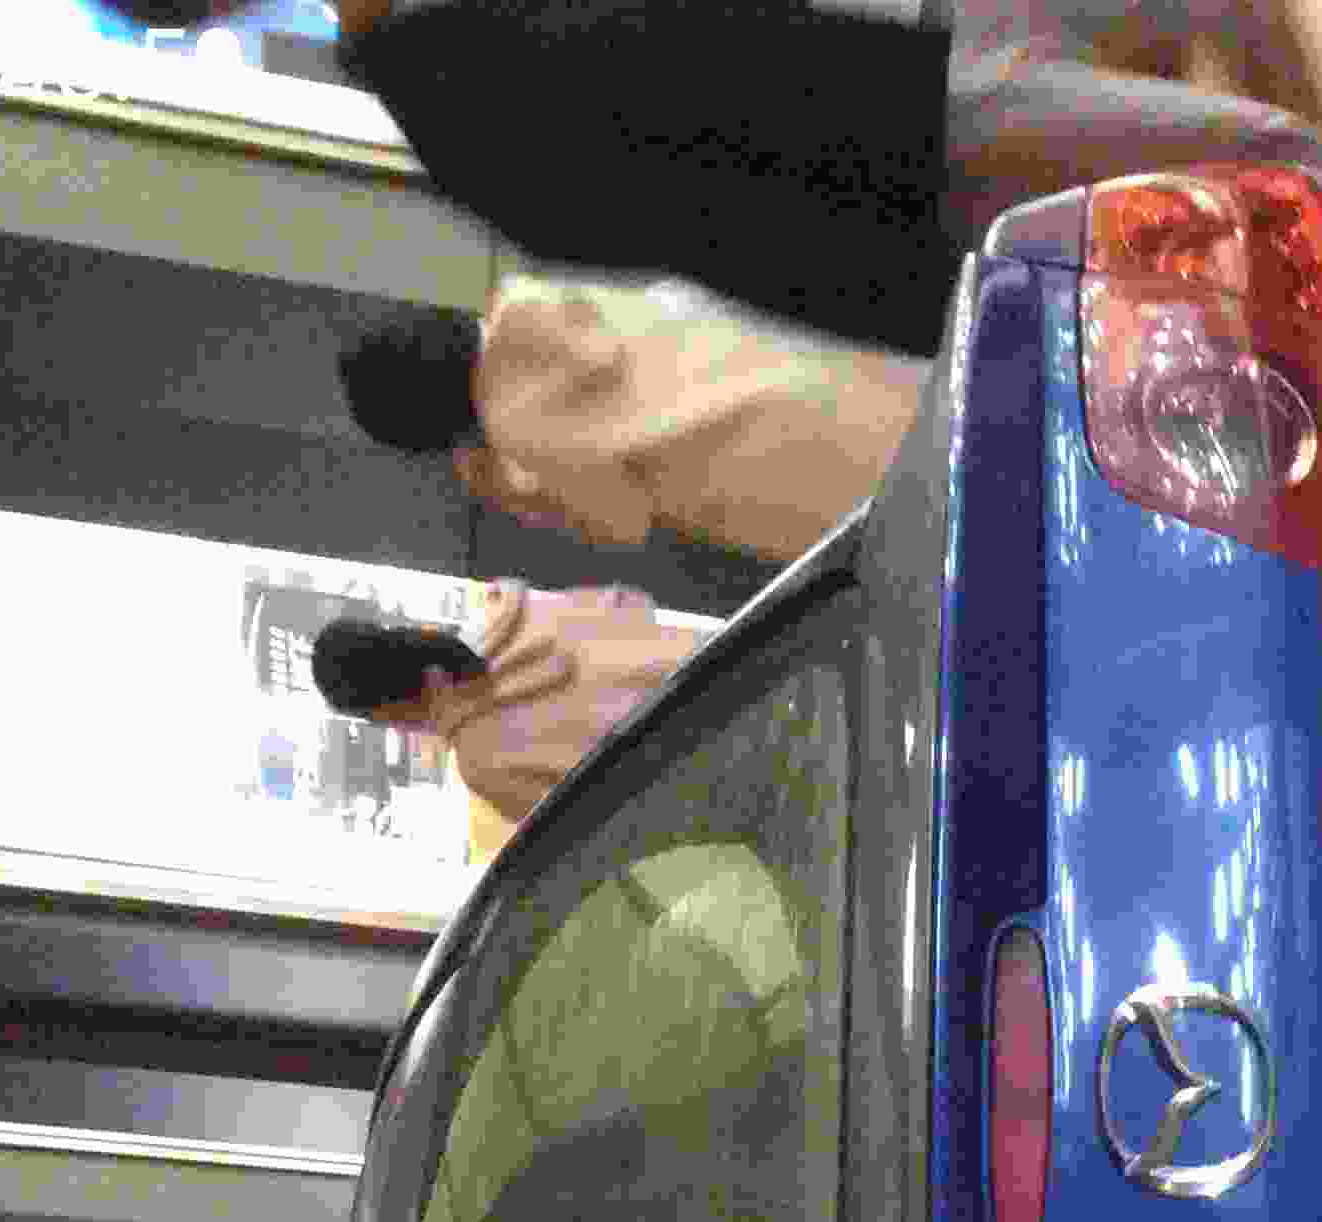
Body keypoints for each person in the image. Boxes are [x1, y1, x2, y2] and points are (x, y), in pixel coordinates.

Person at [333, 0, 1322, 360]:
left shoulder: (452, 89)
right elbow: (710, 196)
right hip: (902, 126)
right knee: (1258, 163)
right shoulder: (463, 106)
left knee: (1222, 67)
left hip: (904, 56)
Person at [338, 280, 923, 568]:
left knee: (927, 490)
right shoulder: (527, 298)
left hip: (764, 462)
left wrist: (506, 488)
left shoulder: (520, 431)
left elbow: (620, 521)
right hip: (793, 361)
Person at [309, 585, 711, 847]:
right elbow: (631, 610)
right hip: (725, 663)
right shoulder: (502, 611)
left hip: (709, 765)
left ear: (385, 712)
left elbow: (607, 831)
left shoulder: (483, 763)